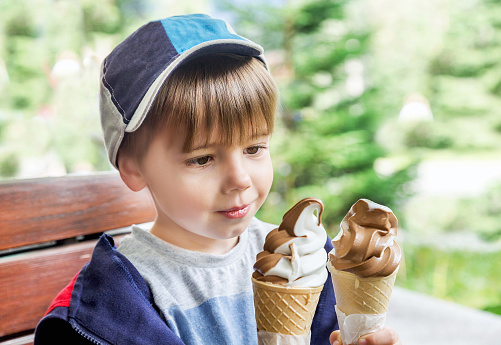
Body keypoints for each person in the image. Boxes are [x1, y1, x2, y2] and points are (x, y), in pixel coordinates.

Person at [34, 14, 401, 345]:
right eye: (202, 158)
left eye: (255, 148)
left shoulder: (302, 260)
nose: (239, 179)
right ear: (133, 166)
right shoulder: (112, 304)